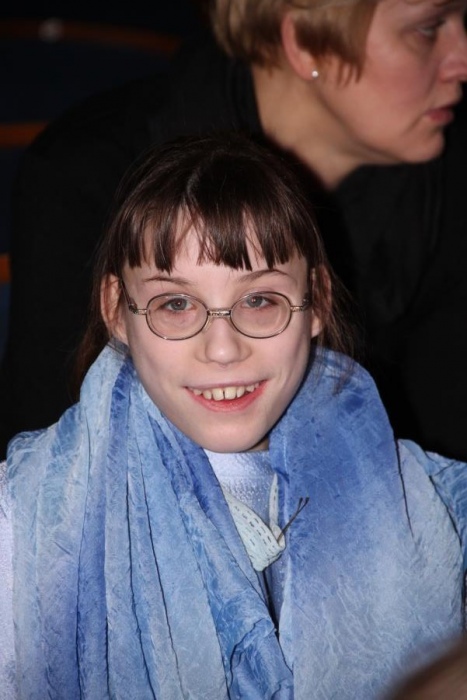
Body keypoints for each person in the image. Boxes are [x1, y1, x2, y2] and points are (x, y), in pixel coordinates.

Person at [1, 133, 466, 699]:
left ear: (317, 302)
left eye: (259, 300)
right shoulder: (22, 526)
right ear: (116, 311)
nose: (222, 349)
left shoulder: (432, 505)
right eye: (176, 304)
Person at [1, 0, 467, 461]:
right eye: (427, 28)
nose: (461, 60)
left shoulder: (446, 186)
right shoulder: (88, 173)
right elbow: (49, 453)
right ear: (305, 42)